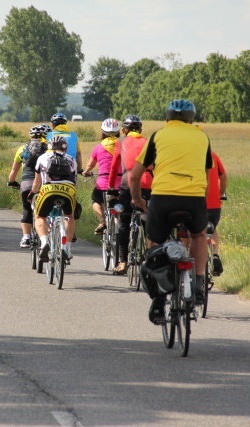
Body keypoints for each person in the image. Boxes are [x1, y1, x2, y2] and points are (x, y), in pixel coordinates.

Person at [130, 99, 213, 323]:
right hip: (194, 198)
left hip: (163, 197)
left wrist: (138, 200)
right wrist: (201, 202)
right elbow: (206, 175)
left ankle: (158, 299)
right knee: (198, 236)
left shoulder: (158, 136)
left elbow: (135, 176)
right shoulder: (202, 137)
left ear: (167, 119)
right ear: (192, 119)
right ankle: (196, 284)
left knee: (154, 243)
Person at [106, 114, 153, 275]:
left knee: (124, 221)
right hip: (147, 181)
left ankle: (123, 262)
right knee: (148, 220)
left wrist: (111, 188)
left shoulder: (121, 141)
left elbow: (114, 166)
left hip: (128, 181)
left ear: (124, 130)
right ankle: (150, 259)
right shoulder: (148, 142)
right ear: (140, 129)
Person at [30, 135, 78, 261]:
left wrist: (32, 193)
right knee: (69, 216)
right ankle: (67, 248)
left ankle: (45, 242)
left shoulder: (42, 157)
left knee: (40, 216)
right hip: (68, 190)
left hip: (48, 190)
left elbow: (37, 181)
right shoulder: (71, 159)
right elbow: (74, 180)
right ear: (65, 147)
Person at [7, 125, 48, 248]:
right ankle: (47, 235)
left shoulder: (22, 149)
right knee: (45, 212)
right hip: (43, 184)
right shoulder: (48, 149)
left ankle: (26, 238)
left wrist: (11, 182)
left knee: (26, 208)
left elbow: (14, 170)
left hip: (26, 183)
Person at [81, 118, 122, 236]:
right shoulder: (123, 145)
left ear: (102, 133)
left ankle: (102, 221)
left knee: (95, 199)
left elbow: (90, 165)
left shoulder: (99, 147)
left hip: (103, 184)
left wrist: (86, 172)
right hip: (120, 184)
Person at [206, 151, 227, 276]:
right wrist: (221, 193)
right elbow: (223, 176)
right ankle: (214, 255)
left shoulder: (188, 154)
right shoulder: (213, 155)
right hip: (214, 205)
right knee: (212, 229)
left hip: (194, 202)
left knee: (189, 233)